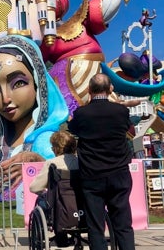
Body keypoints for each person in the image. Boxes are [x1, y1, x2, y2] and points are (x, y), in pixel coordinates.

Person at [40, 0, 140, 117]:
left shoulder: (78, 21)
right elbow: (35, 60)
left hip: (93, 69)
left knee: (107, 103)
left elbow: (100, 10)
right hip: (67, 73)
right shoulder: (44, 38)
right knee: (77, 108)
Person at [0, 35, 69, 188]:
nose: (5, 98)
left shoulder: (47, 142)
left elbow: (70, 181)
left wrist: (39, 163)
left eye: (18, 83)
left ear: (37, 83)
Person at [68, 73, 135, 250]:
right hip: (119, 173)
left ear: (89, 90)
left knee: (96, 227)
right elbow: (126, 127)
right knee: (123, 225)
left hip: (92, 176)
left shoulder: (81, 114)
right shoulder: (121, 111)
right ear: (110, 89)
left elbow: (72, 128)